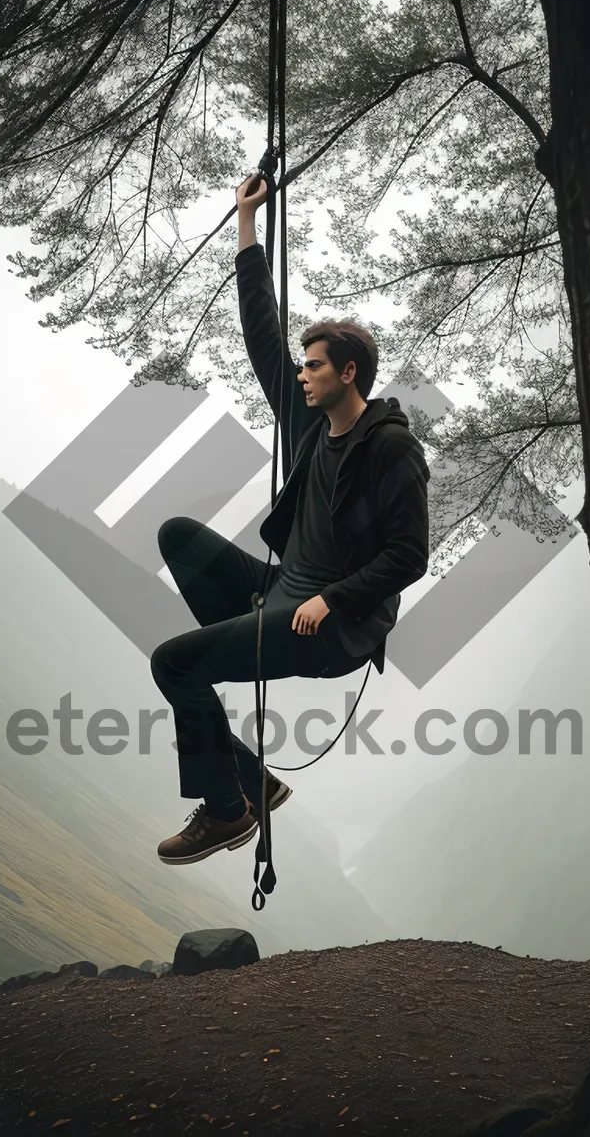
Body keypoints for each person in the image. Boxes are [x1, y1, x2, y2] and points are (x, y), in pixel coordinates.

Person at [153, 172, 431, 866]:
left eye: (315, 367)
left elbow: (409, 556)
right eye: (303, 367)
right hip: (281, 592)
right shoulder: (310, 424)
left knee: (174, 665)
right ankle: (251, 777)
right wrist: (246, 223)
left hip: (332, 628)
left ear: (349, 374)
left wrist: (331, 600)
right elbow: (260, 335)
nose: (301, 375)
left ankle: (227, 811)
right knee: (177, 537)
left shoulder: (391, 448)